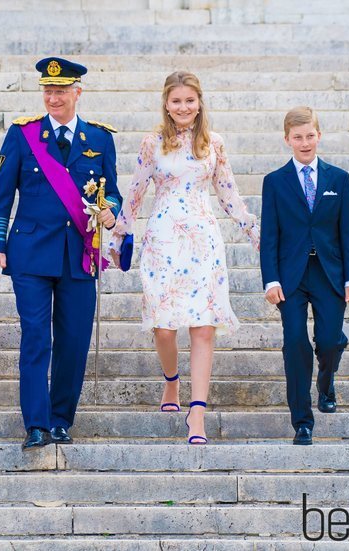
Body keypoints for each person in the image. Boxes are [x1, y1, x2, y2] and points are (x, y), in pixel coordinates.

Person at [107, 71, 259, 445]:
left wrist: (254, 230)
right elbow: (136, 193)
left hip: (204, 242)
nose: (183, 107)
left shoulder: (214, 144)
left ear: (199, 102)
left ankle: (197, 413)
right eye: (176, 101)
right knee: (163, 326)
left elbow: (227, 194)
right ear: (166, 104)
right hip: (162, 240)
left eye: (190, 100)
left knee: (203, 327)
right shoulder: (152, 144)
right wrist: (119, 234)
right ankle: (171, 382)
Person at [0, 57, 122, 450]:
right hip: (30, 252)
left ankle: (62, 419)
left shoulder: (99, 138)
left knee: (74, 340)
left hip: (79, 253)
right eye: (48, 90)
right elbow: (0, 198)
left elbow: (111, 189)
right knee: (35, 338)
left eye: (61, 91)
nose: (53, 97)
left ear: (78, 92)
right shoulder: (22, 134)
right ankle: (36, 424)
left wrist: (109, 210)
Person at [260, 106, 349, 446]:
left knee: (331, 340)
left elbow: (348, 231)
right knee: (294, 343)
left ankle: (327, 379)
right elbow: (270, 235)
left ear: (319, 135)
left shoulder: (338, 179)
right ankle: (302, 421)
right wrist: (270, 280)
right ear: (287, 139)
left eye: (310, 135)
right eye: (297, 137)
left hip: (329, 273)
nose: (304, 143)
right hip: (290, 277)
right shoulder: (275, 182)